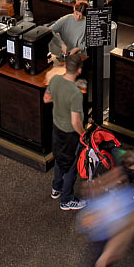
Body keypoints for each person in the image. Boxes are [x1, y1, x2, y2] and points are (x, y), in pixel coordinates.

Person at [79, 167, 134, 267]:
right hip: (105, 233)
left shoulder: (123, 201)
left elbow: (122, 233)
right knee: (105, 259)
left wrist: (107, 253)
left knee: (107, 259)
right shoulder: (103, 195)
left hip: (115, 234)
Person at [43, 54, 86, 211]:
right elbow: (75, 123)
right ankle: (66, 200)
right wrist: (84, 136)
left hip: (56, 128)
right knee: (71, 167)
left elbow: (46, 99)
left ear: (65, 66)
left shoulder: (55, 80)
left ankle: (56, 188)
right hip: (70, 135)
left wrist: (60, 100)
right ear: (79, 70)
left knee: (59, 158)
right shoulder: (75, 93)